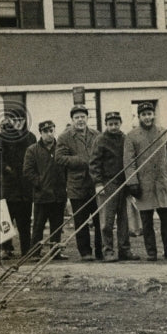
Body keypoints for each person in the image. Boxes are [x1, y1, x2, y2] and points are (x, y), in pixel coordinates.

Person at [124, 102, 167, 261]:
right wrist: (132, 182)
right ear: (139, 117)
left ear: (154, 115)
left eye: (150, 114)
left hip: (162, 183)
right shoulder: (132, 136)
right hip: (143, 185)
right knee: (147, 222)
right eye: (144, 114)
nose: (147, 117)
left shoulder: (163, 132)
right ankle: (151, 252)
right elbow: (129, 161)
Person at [55, 105, 103, 261]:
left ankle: (101, 251)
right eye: (77, 117)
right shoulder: (64, 137)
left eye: (83, 116)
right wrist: (80, 160)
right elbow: (59, 158)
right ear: (72, 120)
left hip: (95, 184)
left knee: (99, 220)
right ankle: (85, 252)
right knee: (81, 221)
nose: (80, 120)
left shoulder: (97, 135)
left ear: (87, 118)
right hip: (77, 186)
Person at [90, 111, 135, 262]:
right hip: (107, 183)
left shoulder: (125, 138)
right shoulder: (100, 140)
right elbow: (94, 163)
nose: (114, 127)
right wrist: (98, 183)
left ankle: (125, 250)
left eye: (116, 123)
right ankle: (108, 251)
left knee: (124, 220)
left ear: (120, 123)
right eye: (110, 124)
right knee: (106, 221)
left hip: (124, 183)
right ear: (106, 125)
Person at [23, 120, 69, 260]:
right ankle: (35, 253)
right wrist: (40, 183)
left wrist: (64, 184)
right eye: (45, 131)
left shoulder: (61, 148)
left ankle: (55, 251)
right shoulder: (32, 150)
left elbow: (67, 167)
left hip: (59, 195)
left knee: (57, 224)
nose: (49, 134)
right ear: (41, 133)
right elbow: (28, 171)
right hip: (41, 195)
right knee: (38, 225)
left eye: (51, 131)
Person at [0, 110, 35, 260]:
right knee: (6, 218)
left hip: (25, 185)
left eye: (21, 120)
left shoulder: (31, 137)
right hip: (8, 185)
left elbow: (34, 157)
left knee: (24, 220)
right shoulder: (2, 137)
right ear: (10, 121)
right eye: (15, 120)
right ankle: (5, 248)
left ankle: (26, 249)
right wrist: (7, 169)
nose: (18, 123)